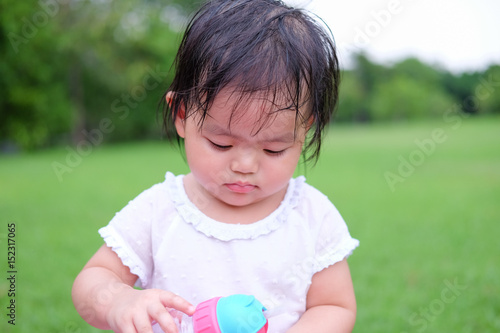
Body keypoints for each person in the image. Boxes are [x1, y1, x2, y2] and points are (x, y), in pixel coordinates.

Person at [72, 0, 359, 332]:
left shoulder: (311, 215)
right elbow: (94, 279)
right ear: (181, 116)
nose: (244, 165)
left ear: (303, 131)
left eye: (273, 148)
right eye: (221, 144)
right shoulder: (160, 210)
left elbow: (333, 305)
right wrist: (121, 300)